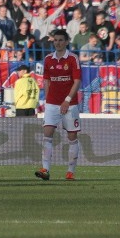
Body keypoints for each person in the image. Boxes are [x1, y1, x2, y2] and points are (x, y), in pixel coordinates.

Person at [36, 29, 82, 181]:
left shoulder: (73, 59)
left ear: (67, 42)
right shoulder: (48, 59)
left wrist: (67, 100)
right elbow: (47, 80)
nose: (58, 43)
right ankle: (45, 169)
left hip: (70, 104)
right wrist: (49, 99)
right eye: (55, 40)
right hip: (52, 104)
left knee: (72, 136)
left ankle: (70, 171)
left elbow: (76, 82)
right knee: (47, 134)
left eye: (61, 40)